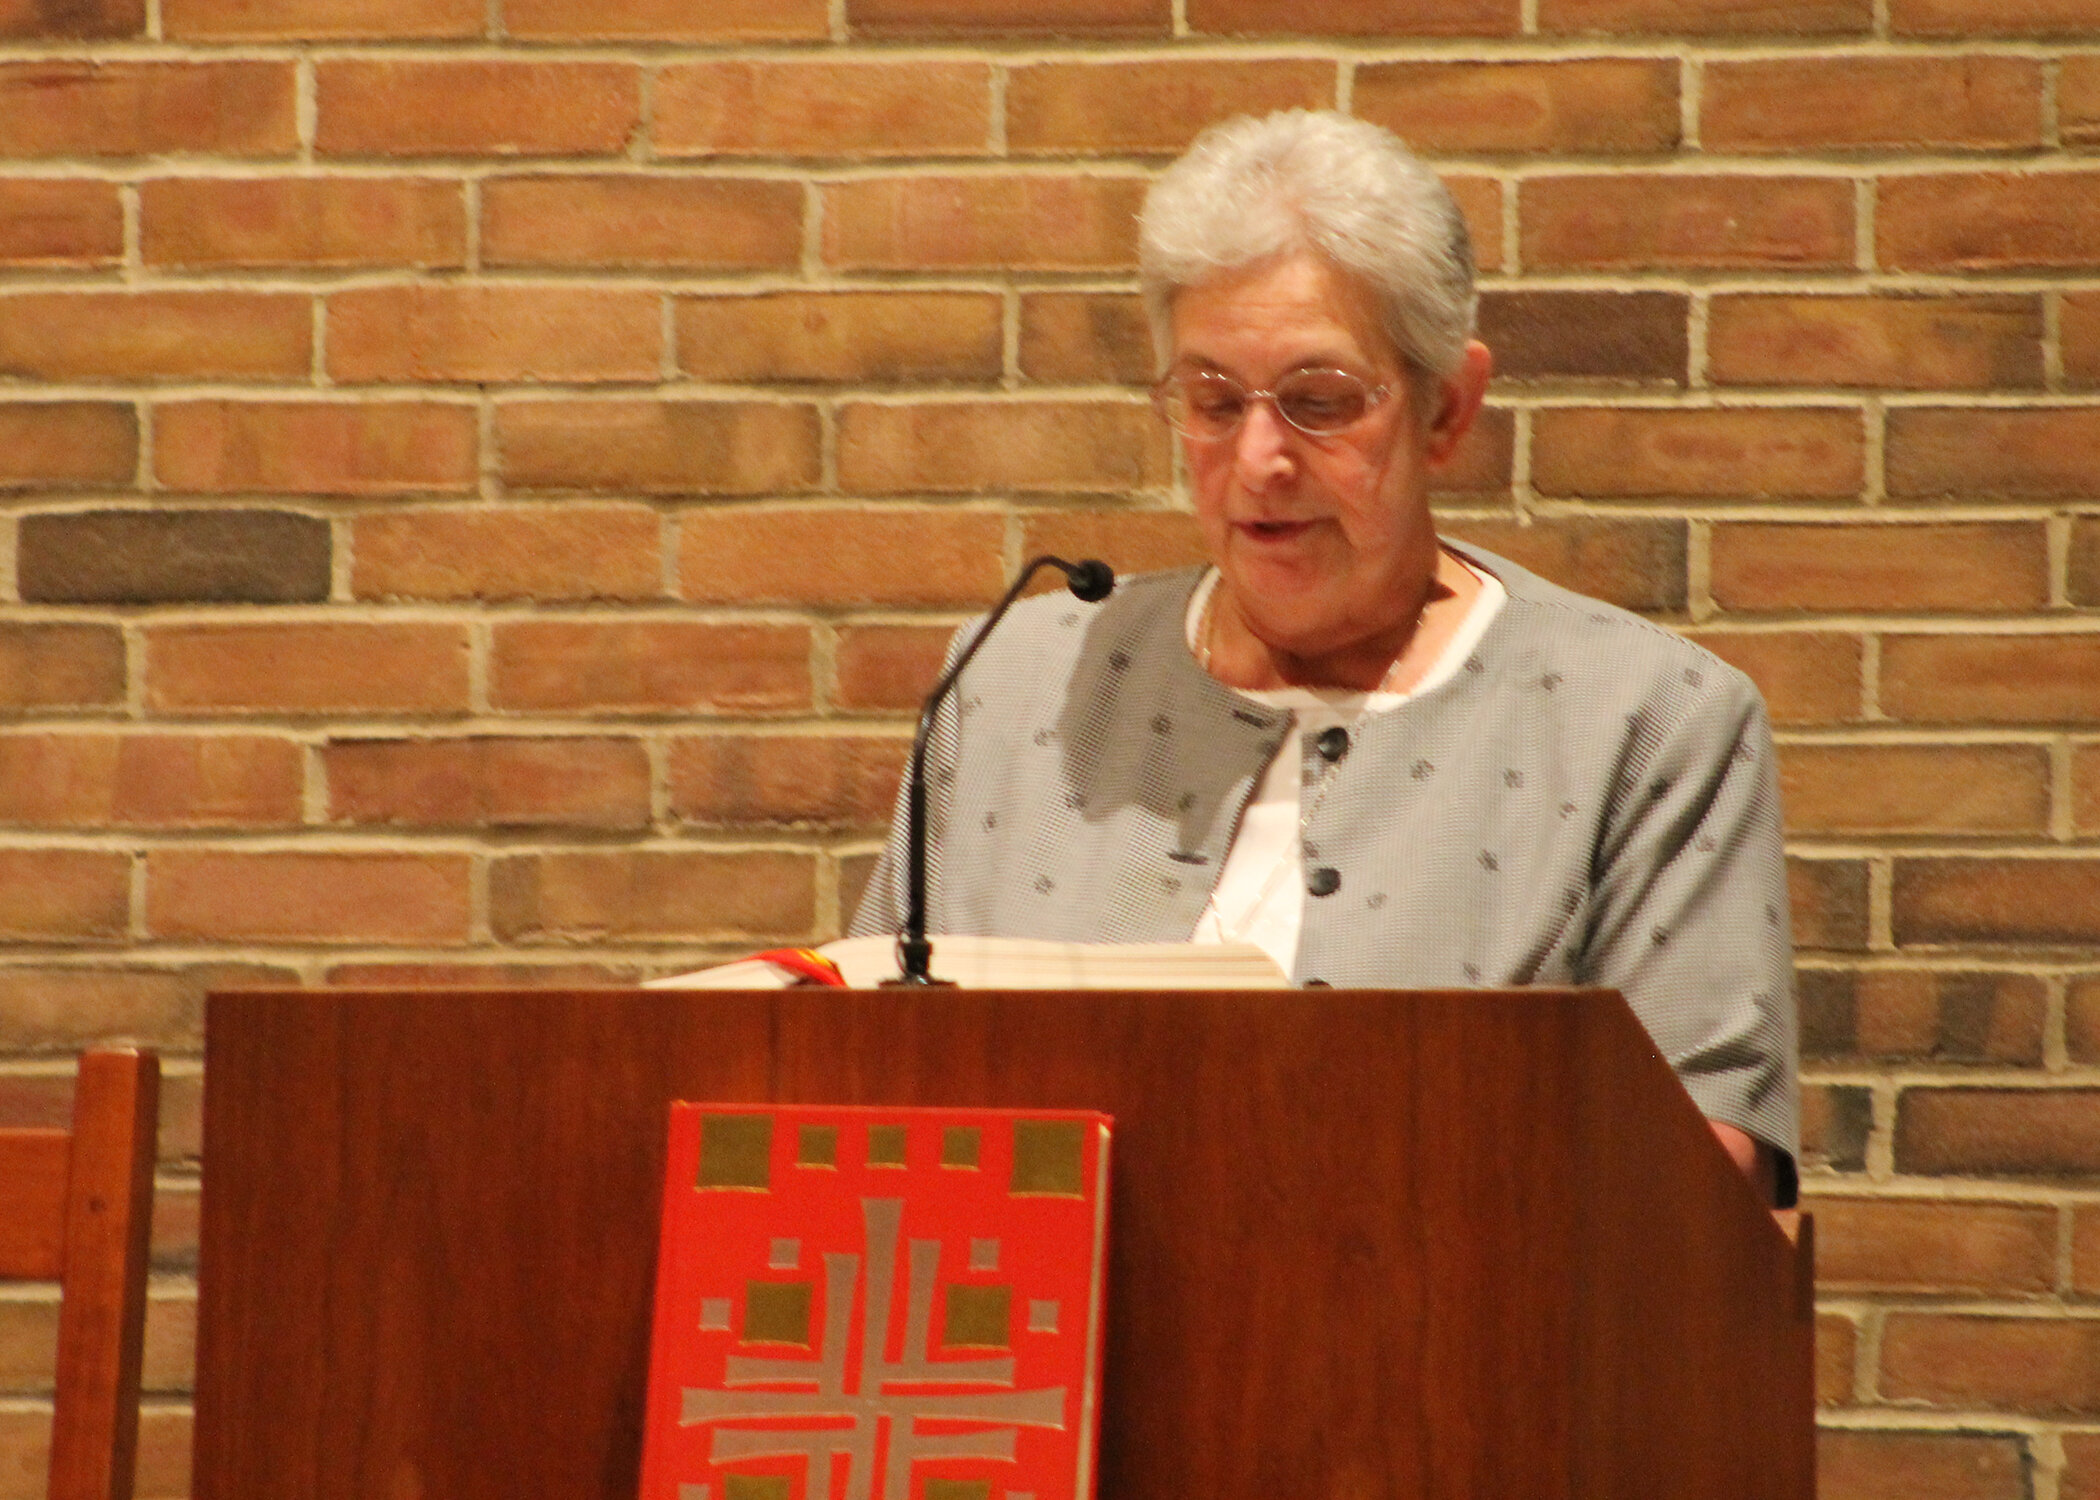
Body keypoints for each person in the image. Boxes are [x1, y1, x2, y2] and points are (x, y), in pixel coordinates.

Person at [851, 110, 1798, 1205]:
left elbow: (1706, 1174)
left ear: (1448, 409)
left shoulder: (1647, 720)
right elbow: (855, 1071)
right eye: (1213, 402)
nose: (1260, 459)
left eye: (1318, 402)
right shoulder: (1011, 685)